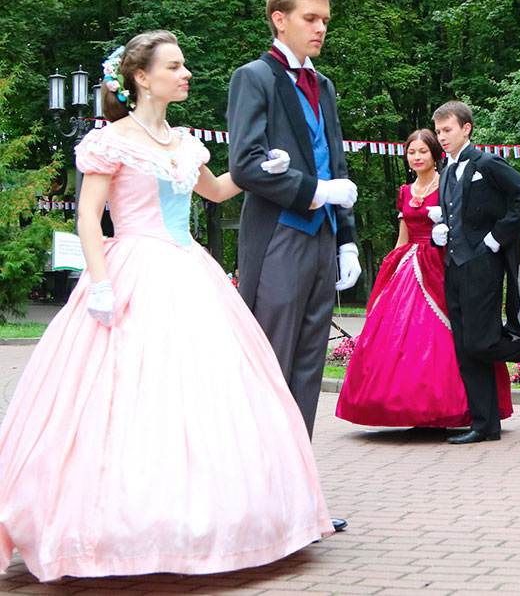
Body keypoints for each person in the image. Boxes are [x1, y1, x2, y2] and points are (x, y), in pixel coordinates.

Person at [0, 33, 332, 582]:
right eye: (176, 66)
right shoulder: (110, 142)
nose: (186, 74)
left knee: (209, 397)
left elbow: (218, 192)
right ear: (141, 77)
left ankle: (213, 525)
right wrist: (100, 283)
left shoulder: (184, 142)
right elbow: (89, 218)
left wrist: (265, 167)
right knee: (122, 397)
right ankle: (109, 530)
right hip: (131, 267)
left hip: (188, 268)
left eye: (184, 65)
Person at [228, 0, 360, 440]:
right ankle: (259, 494)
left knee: (308, 368)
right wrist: (313, 190)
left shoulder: (322, 84)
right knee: (271, 363)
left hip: (322, 238)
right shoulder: (253, 77)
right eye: (310, 18)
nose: (321, 27)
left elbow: (335, 161)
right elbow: (244, 165)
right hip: (280, 238)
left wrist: (347, 241)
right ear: (279, 21)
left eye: (324, 19)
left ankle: (297, 495)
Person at [336, 129, 513, 428]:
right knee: (394, 334)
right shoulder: (405, 191)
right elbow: (402, 236)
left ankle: (457, 405)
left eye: (423, 152)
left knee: (449, 334)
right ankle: (403, 405)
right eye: (411, 152)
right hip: (408, 263)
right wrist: (390, 270)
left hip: (440, 262)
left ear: (434, 155)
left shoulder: (447, 183)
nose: (417, 157)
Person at [431, 101, 520, 443]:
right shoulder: (447, 168)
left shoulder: (487, 163)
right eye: (438, 131)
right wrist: (443, 230)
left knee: (480, 341)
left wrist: (497, 237)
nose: (442, 137)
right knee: (464, 347)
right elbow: (458, 210)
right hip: (453, 265)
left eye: (447, 130)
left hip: (482, 263)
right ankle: (485, 425)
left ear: (466, 128)